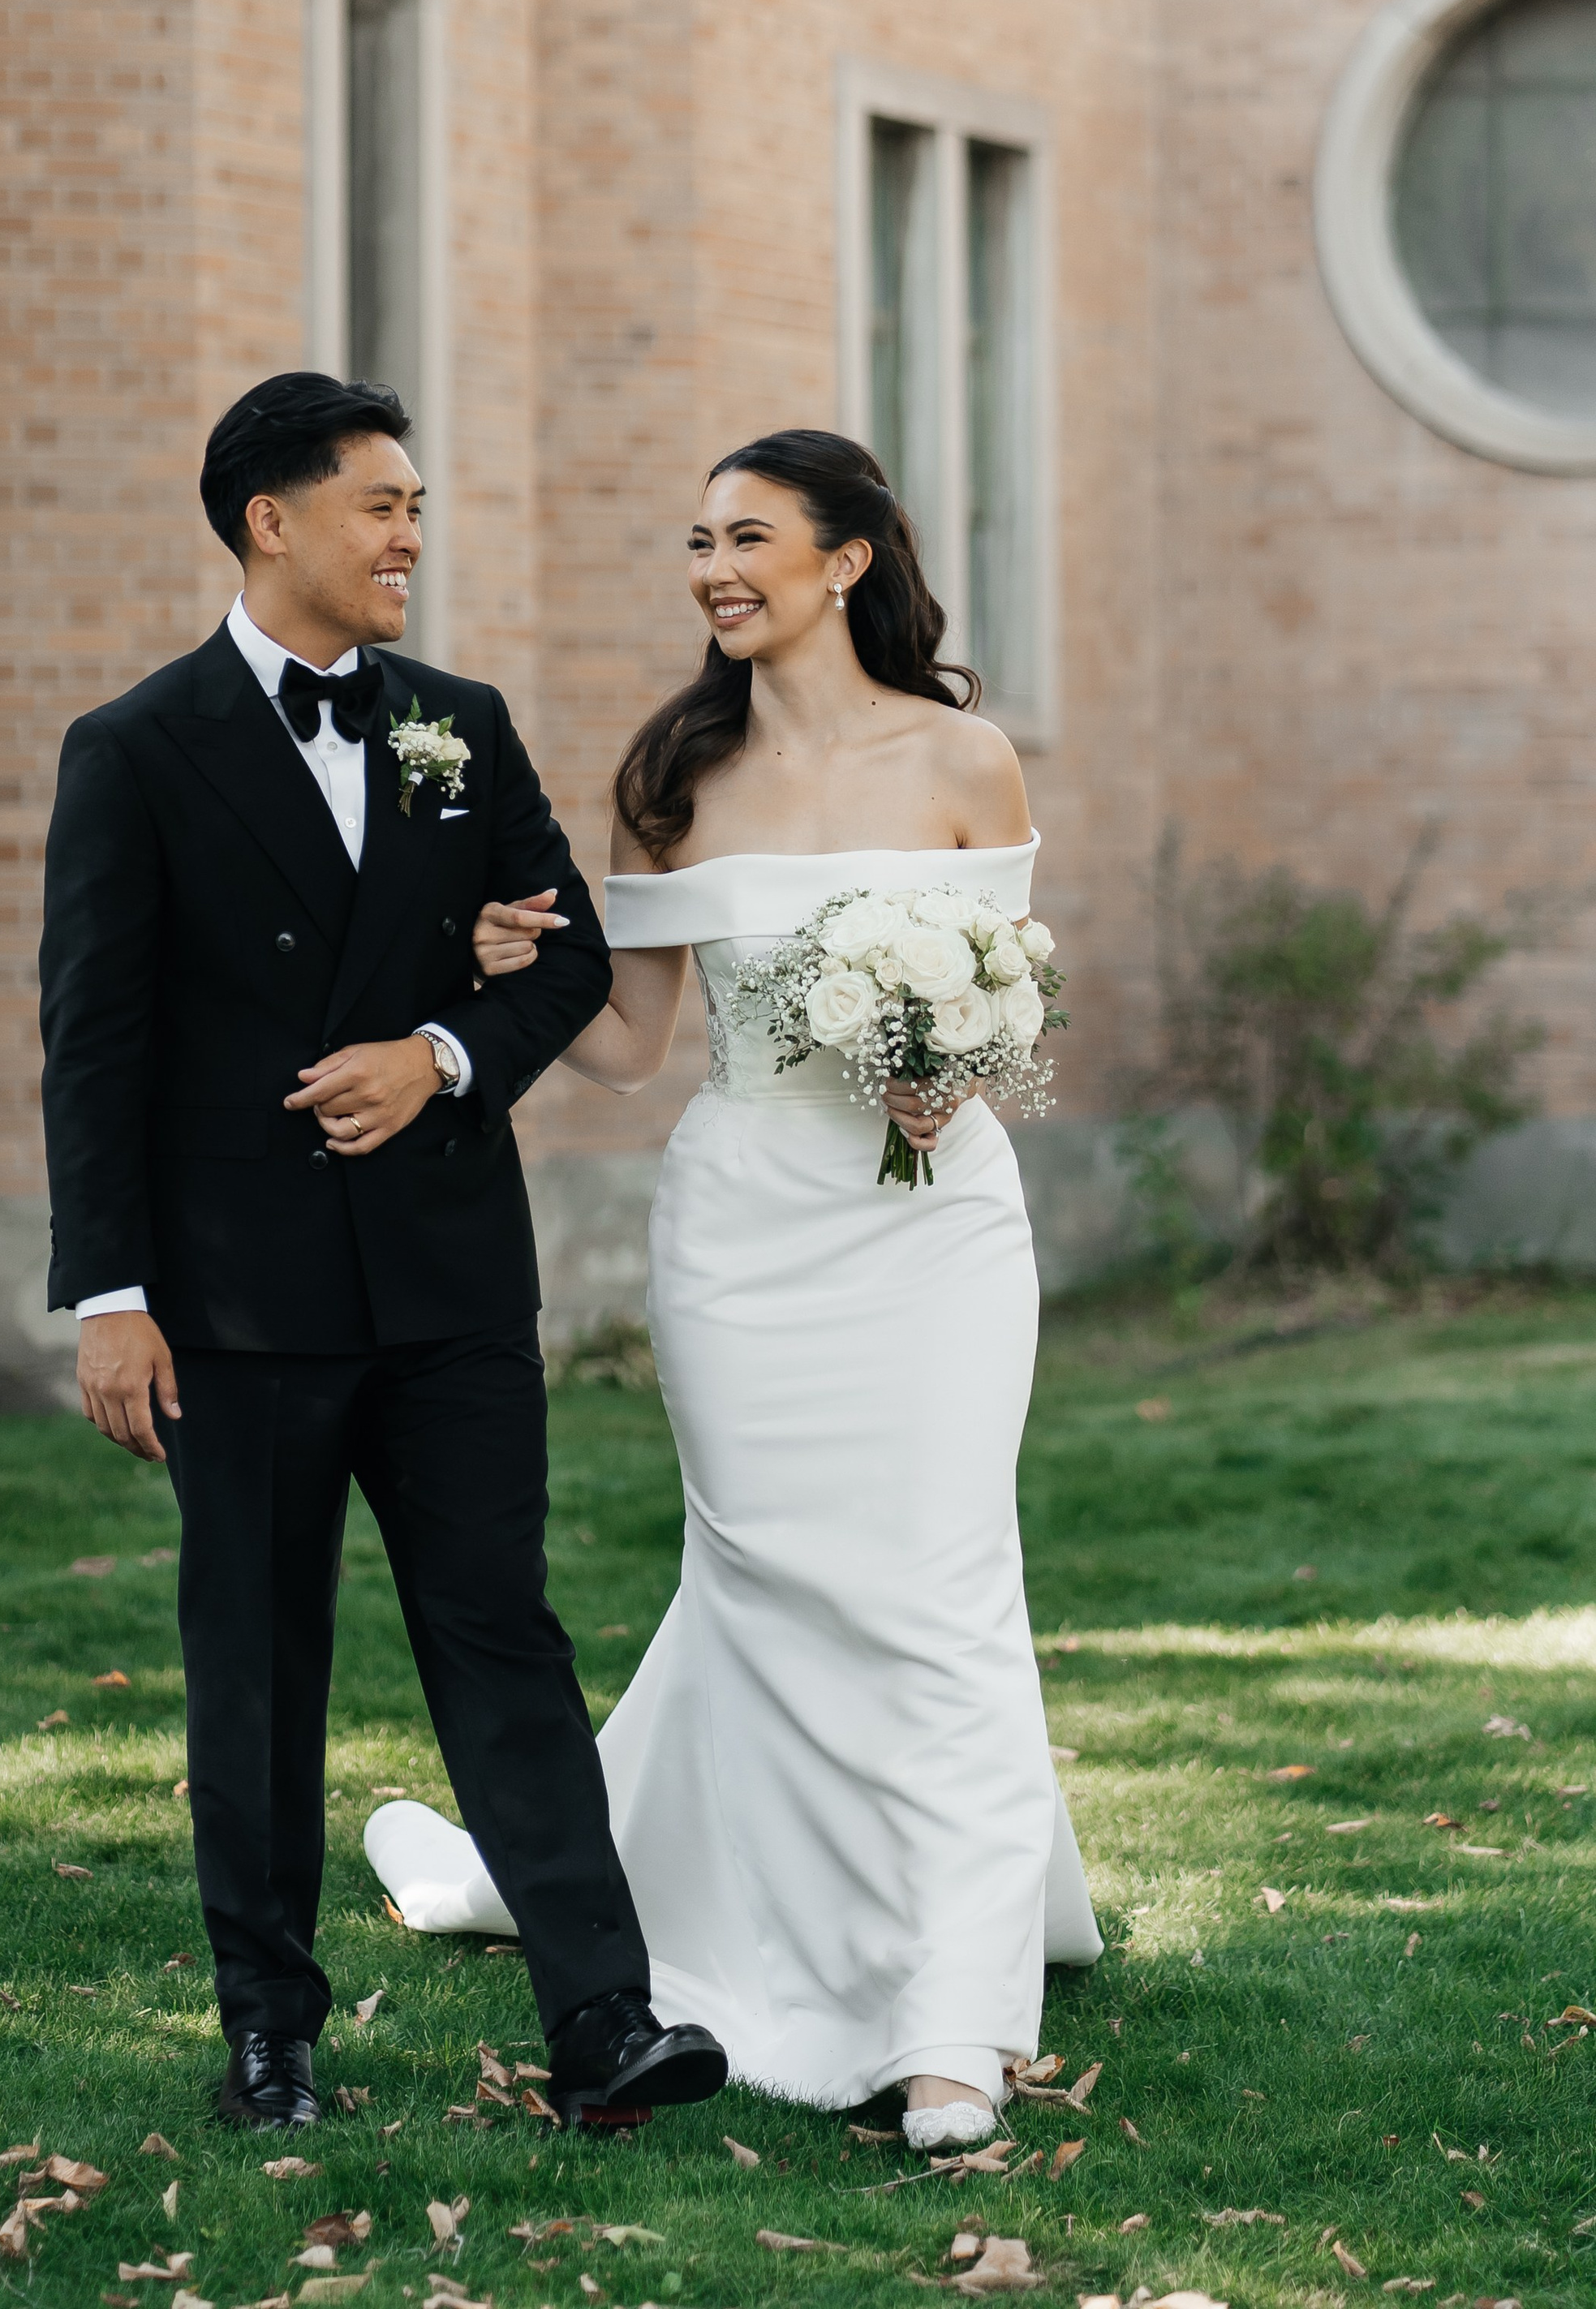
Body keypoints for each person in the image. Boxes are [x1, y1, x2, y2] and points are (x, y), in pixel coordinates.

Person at [368, 429, 1099, 2148]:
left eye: (748, 536)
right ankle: (773, 1925)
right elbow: (630, 1046)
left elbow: (1008, 1006)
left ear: (845, 560)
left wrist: (955, 1069)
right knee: (767, 1583)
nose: (712, 567)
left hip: (929, 1236)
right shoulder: (672, 770)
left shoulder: (963, 758)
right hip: (743, 1225)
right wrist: (504, 967)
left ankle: (948, 2023)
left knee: (936, 1594)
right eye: (695, 539)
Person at [38, 370, 728, 2135]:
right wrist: (109, 1298)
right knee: (255, 1669)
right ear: (271, 522)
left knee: (502, 1640)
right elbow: (92, 1040)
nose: (411, 531)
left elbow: (564, 959)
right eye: (380, 503)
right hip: (235, 1304)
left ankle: (604, 2022)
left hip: (447, 1290)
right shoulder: (135, 747)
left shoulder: (455, 721)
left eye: (418, 504)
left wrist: (435, 1056)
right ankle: (270, 2035)